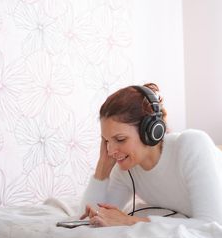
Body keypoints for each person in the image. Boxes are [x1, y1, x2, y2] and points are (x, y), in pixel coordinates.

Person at [80, 83, 222, 227]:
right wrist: (102, 168)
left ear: (151, 131)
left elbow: (212, 225)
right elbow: (89, 218)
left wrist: (130, 221)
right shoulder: (127, 169)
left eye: (120, 139)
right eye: (106, 141)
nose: (110, 151)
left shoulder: (192, 145)